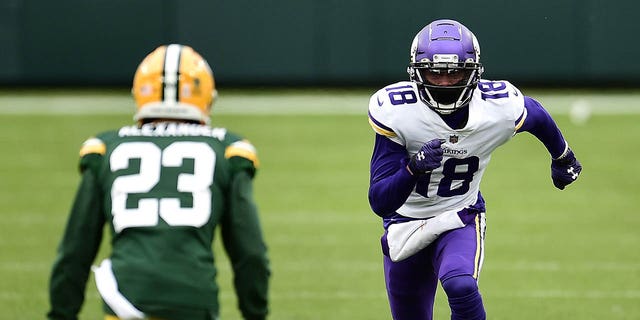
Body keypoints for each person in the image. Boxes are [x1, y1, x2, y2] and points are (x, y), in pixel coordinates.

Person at [367, 19, 582, 320]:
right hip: (405, 223)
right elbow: (380, 201)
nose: (443, 82)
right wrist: (412, 169)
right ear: (416, 72)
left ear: (473, 72)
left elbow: (535, 114)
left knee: (460, 284)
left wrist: (563, 156)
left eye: (454, 72)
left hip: (460, 214)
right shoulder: (398, 111)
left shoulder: (497, 107)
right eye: (434, 73)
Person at [47, 44, 270, 320]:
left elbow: (75, 251)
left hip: (126, 299)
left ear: (139, 94)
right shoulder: (227, 150)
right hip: (193, 300)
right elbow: (251, 254)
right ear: (207, 99)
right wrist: (255, 313)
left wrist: (61, 313)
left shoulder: (106, 148)